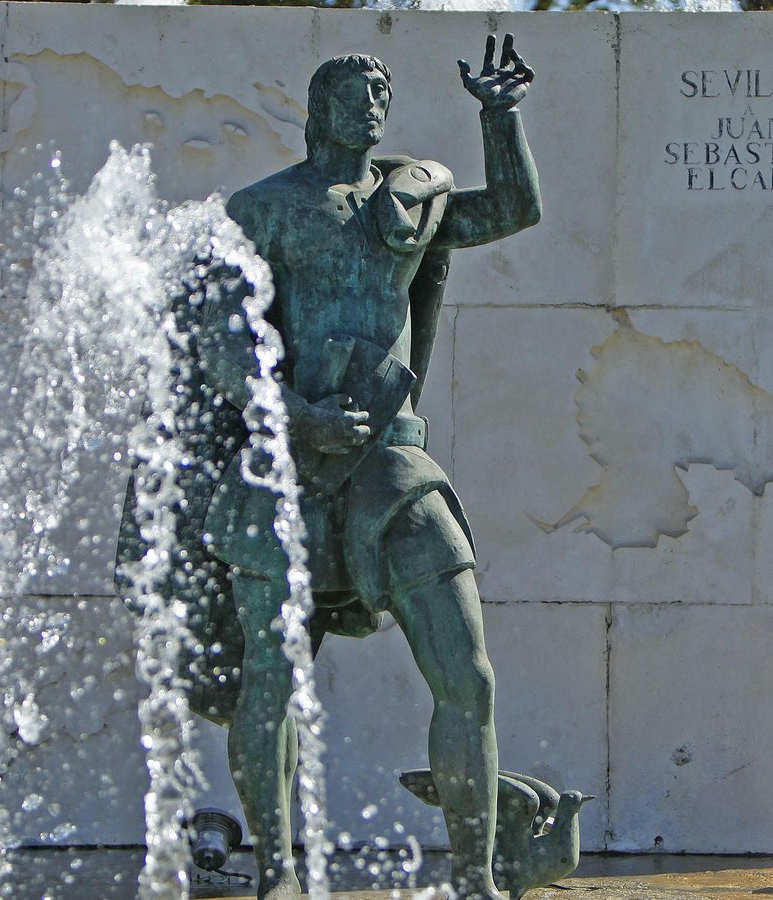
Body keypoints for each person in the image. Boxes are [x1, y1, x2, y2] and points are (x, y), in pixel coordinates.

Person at [127, 35, 540, 899]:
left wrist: (499, 118)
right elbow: (217, 330)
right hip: (283, 465)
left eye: (380, 95)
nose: (372, 107)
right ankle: (277, 871)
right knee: (270, 685)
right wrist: (287, 414)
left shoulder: (410, 206)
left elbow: (510, 208)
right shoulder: (264, 208)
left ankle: (475, 879)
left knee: (467, 672)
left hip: (392, 462)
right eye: (354, 94)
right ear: (318, 111)